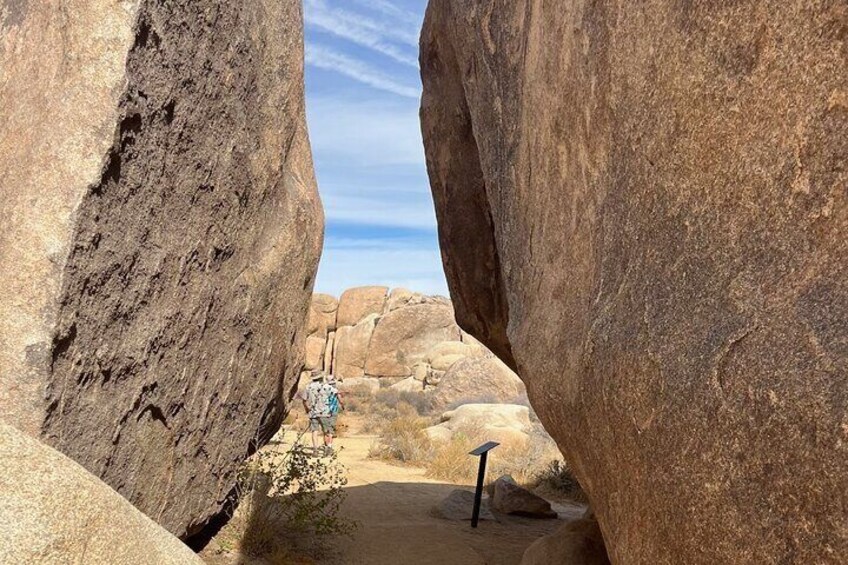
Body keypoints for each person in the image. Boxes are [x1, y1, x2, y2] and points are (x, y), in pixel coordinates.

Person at [299, 371, 343, 456]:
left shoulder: (308, 387)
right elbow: (337, 393)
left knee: (314, 431)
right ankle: (328, 449)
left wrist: (307, 409)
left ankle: (315, 450)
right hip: (325, 413)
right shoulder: (326, 387)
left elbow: (304, 401)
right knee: (327, 431)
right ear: (321, 377)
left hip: (313, 412)